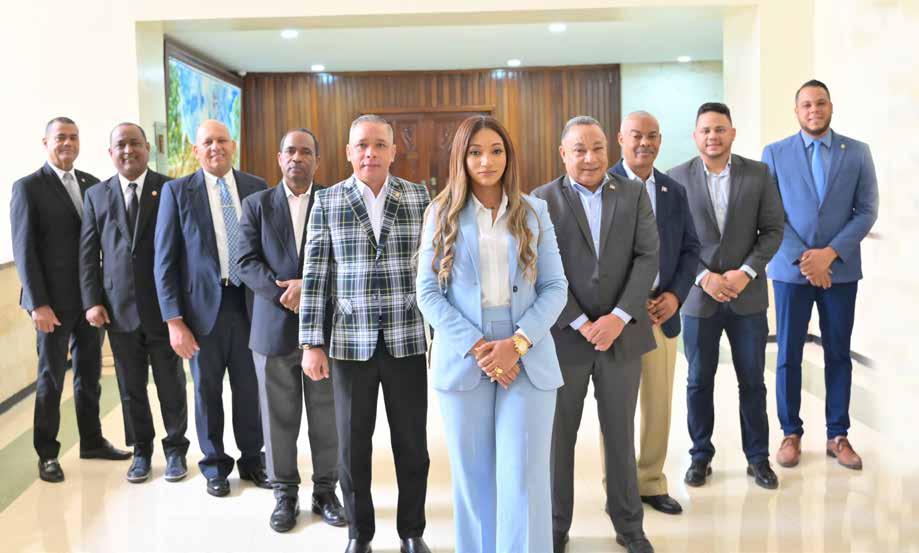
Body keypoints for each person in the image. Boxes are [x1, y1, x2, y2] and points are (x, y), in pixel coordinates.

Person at [416, 115, 568, 553]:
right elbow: (427, 292)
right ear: (461, 159)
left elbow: (556, 287)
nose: (487, 161)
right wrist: (480, 347)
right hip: (466, 352)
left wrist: (516, 344)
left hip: (526, 350)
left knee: (524, 479)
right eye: (476, 152)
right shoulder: (440, 212)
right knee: (474, 480)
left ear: (508, 156)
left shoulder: (534, 211)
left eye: (496, 151)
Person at [299, 114, 431, 553]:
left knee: (412, 444)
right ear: (348, 152)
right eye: (361, 145)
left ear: (394, 151)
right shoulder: (328, 200)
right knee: (353, 448)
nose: (370, 152)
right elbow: (315, 275)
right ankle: (360, 534)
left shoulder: (418, 197)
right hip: (349, 345)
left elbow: (434, 269)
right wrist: (311, 342)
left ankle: (411, 531)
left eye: (379, 145)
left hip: (405, 339)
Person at [532, 116, 659, 553]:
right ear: (562, 154)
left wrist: (619, 317)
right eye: (579, 150)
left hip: (622, 337)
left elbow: (647, 257)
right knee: (558, 438)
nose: (590, 158)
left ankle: (629, 525)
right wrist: (581, 321)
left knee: (620, 435)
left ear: (610, 149)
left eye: (598, 148)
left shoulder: (633, 193)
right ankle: (554, 527)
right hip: (564, 338)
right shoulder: (541, 201)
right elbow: (538, 269)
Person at [762, 79, 879, 470]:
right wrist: (807, 261)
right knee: (788, 354)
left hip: (840, 272)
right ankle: (790, 433)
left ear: (831, 107)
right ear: (796, 111)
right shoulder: (775, 153)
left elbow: (866, 210)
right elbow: (771, 212)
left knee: (838, 353)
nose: (814, 110)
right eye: (807, 104)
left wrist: (828, 255)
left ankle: (838, 435)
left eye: (821, 103)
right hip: (790, 272)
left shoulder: (857, 153)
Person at [669, 102, 784, 490]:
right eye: (705, 130)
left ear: (732, 133)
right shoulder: (676, 178)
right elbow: (671, 239)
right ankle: (700, 455)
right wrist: (703, 277)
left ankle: (758, 458)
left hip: (746, 297)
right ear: (695, 136)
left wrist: (745, 272)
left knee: (752, 380)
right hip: (699, 298)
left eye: (720, 129)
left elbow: (773, 230)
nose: (713, 136)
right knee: (698, 380)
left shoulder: (758, 174)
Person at [237, 128, 346, 531]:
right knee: (277, 417)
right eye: (290, 151)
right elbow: (244, 261)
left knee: (326, 415)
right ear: (279, 158)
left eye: (305, 152)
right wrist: (285, 292)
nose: (297, 158)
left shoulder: (336, 200)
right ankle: (284, 493)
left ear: (318, 159)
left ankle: (325, 491)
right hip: (273, 327)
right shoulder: (256, 205)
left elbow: (347, 260)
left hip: (326, 330)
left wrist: (309, 288)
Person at [11, 116, 130, 483]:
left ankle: (92, 440)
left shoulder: (91, 184)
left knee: (89, 375)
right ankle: (47, 454)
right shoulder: (28, 187)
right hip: (52, 305)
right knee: (51, 380)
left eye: (73, 137)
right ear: (45, 143)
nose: (67, 143)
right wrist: (37, 304)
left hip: (89, 302)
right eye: (60, 137)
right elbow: (24, 250)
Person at [154, 119, 269, 497]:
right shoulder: (177, 192)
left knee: (249, 387)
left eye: (222, 140)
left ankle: (252, 459)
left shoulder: (256, 187)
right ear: (196, 150)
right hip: (202, 312)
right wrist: (174, 321)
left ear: (233, 145)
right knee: (206, 390)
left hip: (249, 305)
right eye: (207, 142)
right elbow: (164, 261)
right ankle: (215, 464)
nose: (215, 147)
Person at [79, 122, 189, 483]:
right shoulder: (96, 195)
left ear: (147, 148)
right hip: (118, 310)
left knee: (171, 384)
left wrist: (181, 306)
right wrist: (91, 301)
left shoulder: (169, 188)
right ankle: (141, 450)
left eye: (135, 143)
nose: (128, 150)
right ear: (110, 153)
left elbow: (182, 250)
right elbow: (88, 254)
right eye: (121, 145)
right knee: (130, 388)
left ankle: (175, 450)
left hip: (163, 308)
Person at [605, 111, 700, 515]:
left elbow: (691, 249)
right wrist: (627, 302)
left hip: (662, 312)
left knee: (658, 404)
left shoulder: (673, 190)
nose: (644, 143)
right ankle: (619, 487)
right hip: (618, 316)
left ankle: (650, 482)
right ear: (621, 139)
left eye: (652, 136)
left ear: (660, 140)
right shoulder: (602, 184)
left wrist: (676, 296)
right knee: (618, 407)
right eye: (636, 136)